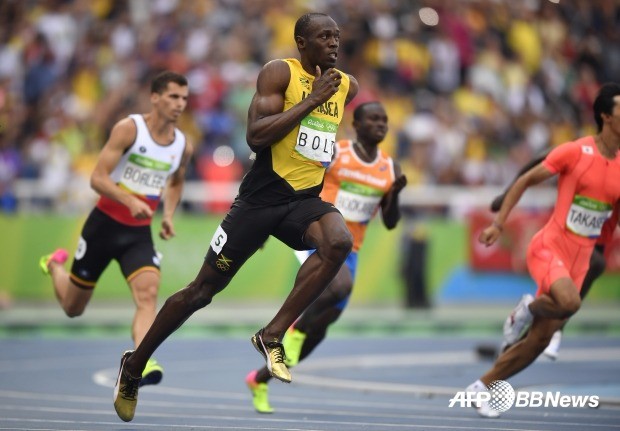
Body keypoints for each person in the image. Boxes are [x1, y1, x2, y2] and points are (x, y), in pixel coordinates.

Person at [112, 12, 359, 422]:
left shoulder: (346, 86)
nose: (333, 43)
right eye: (323, 36)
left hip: (303, 200)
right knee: (200, 293)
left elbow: (321, 136)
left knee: (337, 241)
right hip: (260, 202)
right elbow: (256, 136)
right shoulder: (280, 73)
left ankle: (273, 333)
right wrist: (313, 99)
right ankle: (134, 365)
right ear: (301, 43)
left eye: (337, 36)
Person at [467, 82, 620, 418]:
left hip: (580, 260)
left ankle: (482, 386)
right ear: (606, 116)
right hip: (550, 246)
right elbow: (525, 180)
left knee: (538, 342)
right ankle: (528, 308)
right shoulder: (576, 151)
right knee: (570, 303)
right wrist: (498, 223)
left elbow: (611, 221)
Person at [245, 101, 407, 413]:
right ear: (356, 125)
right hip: (317, 234)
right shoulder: (337, 153)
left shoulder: (390, 168)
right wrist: (265, 227)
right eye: (373, 119)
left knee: (321, 330)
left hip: (352, 250)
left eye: (384, 120)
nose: (381, 124)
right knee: (339, 287)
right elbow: (299, 179)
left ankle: (260, 379)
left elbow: (390, 222)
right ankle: (288, 331)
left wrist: (395, 194)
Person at [39, 71, 193, 387]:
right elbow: (97, 178)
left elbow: (176, 181)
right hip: (103, 227)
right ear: (155, 97)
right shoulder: (129, 129)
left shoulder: (182, 144)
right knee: (72, 308)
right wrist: (128, 199)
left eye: (184, 98)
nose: (180, 104)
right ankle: (54, 264)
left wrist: (168, 215)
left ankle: (142, 359)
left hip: (138, 233)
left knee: (148, 294)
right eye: (173, 96)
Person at [482, 149, 611, 360]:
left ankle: (536, 327)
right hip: (567, 226)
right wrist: (506, 195)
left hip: (597, 231)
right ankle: (540, 328)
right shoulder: (586, 148)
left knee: (593, 266)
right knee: (592, 266)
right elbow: (539, 162)